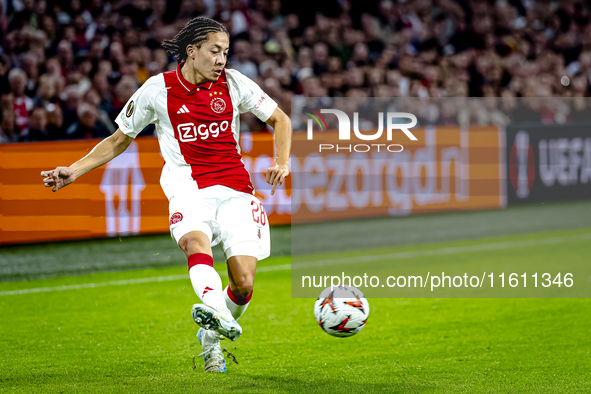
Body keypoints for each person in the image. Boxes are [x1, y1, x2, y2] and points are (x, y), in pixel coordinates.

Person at [40, 16, 291, 373]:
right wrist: (73, 171)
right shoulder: (157, 90)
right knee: (194, 243)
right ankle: (217, 314)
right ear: (192, 51)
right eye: (214, 51)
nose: (222, 60)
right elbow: (117, 141)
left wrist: (282, 161)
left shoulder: (234, 84)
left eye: (225, 52)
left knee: (244, 284)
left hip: (237, 191)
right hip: (189, 188)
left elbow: (281, 119)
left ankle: (211, 336)